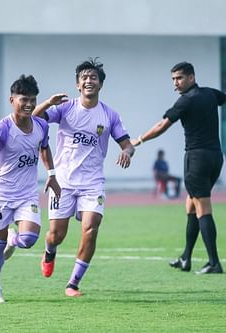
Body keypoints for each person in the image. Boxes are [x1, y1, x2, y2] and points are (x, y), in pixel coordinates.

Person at [131, 61, 226, 274]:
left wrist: (140, 139)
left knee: (203, 209)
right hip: (215, 158)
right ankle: (185, 258)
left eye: (179, 78)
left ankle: (214, 263)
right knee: (191, 206)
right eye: (173, 79)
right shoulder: (209, 94)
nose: (175, 83)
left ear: (191, 77)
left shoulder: (185, 102)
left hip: (196, 159)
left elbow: (162, 125)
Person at [32, 58, 135, 297]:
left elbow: (128, 145)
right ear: (78, 85)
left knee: (91, 228)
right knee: (57, 235)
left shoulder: (110, 115)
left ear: (100, 84)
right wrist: (48, 102)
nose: (89, 81)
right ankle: (49, 251)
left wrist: (126, 152)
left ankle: (73, 284)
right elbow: (33, 120)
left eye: (93, 77)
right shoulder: (66, 108)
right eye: (84, 78)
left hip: (93, 183)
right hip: (63, 183)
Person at [0, 74, 61, 303]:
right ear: (12, 99)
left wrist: (51, 174)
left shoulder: (41, 125)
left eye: (33, 99)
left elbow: (44, 148)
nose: (29, 104)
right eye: (24, 99)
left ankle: (15, 240)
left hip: (27, 194)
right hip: (2, 193)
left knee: (29, 239)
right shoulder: (2, 128)